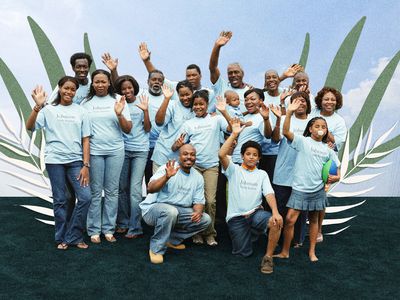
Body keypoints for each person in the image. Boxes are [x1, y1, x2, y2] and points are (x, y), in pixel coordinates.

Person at [26, 76, 92, 250]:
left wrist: (86, 165)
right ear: (60, 88)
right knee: (61, 200)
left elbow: (86, 140)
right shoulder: (48, 110)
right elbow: (30, 126)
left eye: (73, 89)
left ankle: (73, 235)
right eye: (66, 88)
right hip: (55, 161)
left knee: (85, 197)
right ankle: (62, 237)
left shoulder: (81, 111)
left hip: (76, 161)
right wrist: (37, 107)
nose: (69, 92)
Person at [274, 99, 340, 262]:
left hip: (317, 190)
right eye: (316, 126)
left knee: (315, 220)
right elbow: (286, 132)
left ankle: (311, 252)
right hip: (299, 189)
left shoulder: (328, 150)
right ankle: (285, 251)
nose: (320, 129)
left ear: (326, 131)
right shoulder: (303, 142)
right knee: (289, 220)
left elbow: (337, 171)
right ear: (310, 129)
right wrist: (288, 113)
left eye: (323, 127)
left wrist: (335, 177)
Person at [218, 118, 283, 274]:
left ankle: (268, 257)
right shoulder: (233, 170)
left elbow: (269, 193)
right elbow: (221, 154)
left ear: (259, 158)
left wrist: (275, 211)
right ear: (242, 156)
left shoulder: (262, 174)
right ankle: (253, 233)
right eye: (248, 154)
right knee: (243, 253)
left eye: (255, 155)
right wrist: (234, 134)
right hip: (236, 218)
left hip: (255, 214)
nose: (251, 157)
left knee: (275, 222)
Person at [171, 90, 228, 246]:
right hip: (194, 167)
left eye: (201, 104)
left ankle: (209, 233)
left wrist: (224, 111)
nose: (198, 107)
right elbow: (177, 145)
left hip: (211, 166)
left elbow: (230, 129)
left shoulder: (216, 120)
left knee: (210, 201)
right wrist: (178, 144)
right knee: (194, 200)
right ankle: (195, 233)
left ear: (207, 104)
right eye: (195, 104)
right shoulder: (189, 123)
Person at [81, 69, 132, 244]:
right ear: (92, 84)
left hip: (116, 151)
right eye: (97, 82)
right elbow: (83, 134)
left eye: (104, 81)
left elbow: (128, 129)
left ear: (109, 83)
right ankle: (94, 230)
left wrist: (119, 114)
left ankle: (108, 229)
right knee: (95, 192)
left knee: (112, 191)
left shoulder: (119, 100)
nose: (100, 85)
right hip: (95, 152)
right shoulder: (85, 104)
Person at [140, 145, 212, 264]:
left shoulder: (198, 177)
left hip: (178, 212)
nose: (189, 157)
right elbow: (150, 188)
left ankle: (171, 240)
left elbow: (199, 201)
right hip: (154, 209)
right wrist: (166, 177)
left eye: (192, 154)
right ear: (179, 156)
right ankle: (156, 249)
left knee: (205, 219)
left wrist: (198, 212)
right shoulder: (168, 168)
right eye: (185, 154)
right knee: (170, 211)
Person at [101, 52, 166, 184]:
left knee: (149, 182)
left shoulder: (168, 95)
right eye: (153, 80)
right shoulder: (141, 94)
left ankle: (147, 205)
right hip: (128, 147)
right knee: (124, 184)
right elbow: (121, 87)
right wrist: (113, 71)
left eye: (160, 80)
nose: (157, 82)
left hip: (153, 148)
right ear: (147, 81)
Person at [270, 91, 311, 247]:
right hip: (283, 174)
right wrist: (281, 118)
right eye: (295, 101)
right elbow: (275, 138)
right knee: (280, 209)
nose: (299, 103)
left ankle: (298, 240)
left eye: (303, 100)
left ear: (308, 104)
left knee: (301, 211)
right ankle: (278, 239)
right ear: (289, 104)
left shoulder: (313, 122)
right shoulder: (285, 119)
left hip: (304, 175)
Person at [113, 75, 151, 238]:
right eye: (123, 89)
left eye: (129, 88)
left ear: (134, 87)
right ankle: (123, 222)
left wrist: (146, 111)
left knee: (135, 189)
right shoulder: (118, 104)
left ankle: (135, 227)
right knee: (122, 188)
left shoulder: (142, 101)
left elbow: (148, 129)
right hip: (122, 150)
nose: (127, 91)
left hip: (140, 150)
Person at [311, 87, 347, 242]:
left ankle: (318, 230)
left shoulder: (339, 121)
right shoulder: (312, 114)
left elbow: (336, 144)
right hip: (310, 159)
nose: (329, 102)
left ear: (337, 102)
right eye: (326, 99)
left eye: (333, 99)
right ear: (320, 101)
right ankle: (307, 227)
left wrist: (323, 129)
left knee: (320, 197)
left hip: (327, 162)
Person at [138, 43, 216, 111]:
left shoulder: (209, 93)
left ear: (200, 76)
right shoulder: (177, 87)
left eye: (194, 75)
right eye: (188, 76)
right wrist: (146, 61)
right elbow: (158, 78)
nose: (191, 78)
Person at [151, 81, 195, 171]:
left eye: (187, 94)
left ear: (193, 92)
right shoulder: (172, 105)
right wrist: (166, 99)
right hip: (162, 155)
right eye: (181, 95)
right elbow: (159, 122)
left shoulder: (196, 109)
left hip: (181, 160)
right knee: (157, 184)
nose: (185, 98)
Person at [209, 31, 251, 112]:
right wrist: (217, 46)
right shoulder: (221, 86)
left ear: (242, 74)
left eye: (236, 72)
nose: (233, 75)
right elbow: (212, 68)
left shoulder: (249, 91)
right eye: (230, 73)